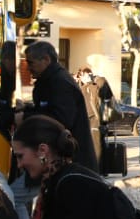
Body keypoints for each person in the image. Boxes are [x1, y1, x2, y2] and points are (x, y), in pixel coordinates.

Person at [22, 41, 98, 173]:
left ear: (46, 59)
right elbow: (46, 110)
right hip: (58, 162)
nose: (28, 68)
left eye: (30, 63)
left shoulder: (60, 82)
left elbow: (60, 120)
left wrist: (26, 117)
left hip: (71, 164)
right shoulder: (49, 80)